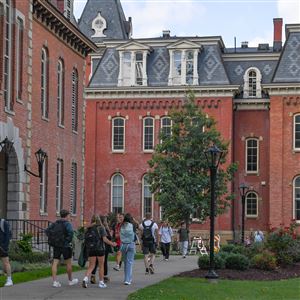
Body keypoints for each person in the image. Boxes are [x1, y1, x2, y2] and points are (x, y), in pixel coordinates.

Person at [46, 209, 78, 288]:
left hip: (56, 245)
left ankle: (54, 281)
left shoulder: (55, 223)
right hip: (65, 246)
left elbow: (47, 231)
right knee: (68, 263)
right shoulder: (67, 224)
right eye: (69, 215)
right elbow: (70, 233)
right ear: (67, 215)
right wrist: (67, 241)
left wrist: (53, 239)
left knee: (55, 262)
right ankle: (70, 280)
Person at [82, 215, 116, 289]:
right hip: (100, 249)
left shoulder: (88, 228)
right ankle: (101, 282)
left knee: (91, 266)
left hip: (91, 249)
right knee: (101, 266)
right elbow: (104, 239)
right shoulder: (101, 227)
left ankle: (85, 278)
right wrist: (112, 244)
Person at [90, 215, 113, 284]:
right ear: (103, 221)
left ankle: (93, 276)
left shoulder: (95, 227)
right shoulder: (103, 228)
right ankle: (104, 276)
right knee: (104, 263)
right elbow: (108, 238)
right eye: (106, 221)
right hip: (103, 247)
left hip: (95, 247)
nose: (107, 222)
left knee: (95, 262)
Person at [120, 213, 136, 285]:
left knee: (125, 262)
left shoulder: (122, 225)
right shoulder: (133, 225)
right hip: (131, 244)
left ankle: (126, 278)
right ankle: (128, 279)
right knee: (129, 262)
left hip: (123, 245)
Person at [0, 219, 13, 287]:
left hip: (2, 248)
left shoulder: (3, 222)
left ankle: (9, 280)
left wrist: (4, 247)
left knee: (6, 263)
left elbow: (7, 236)